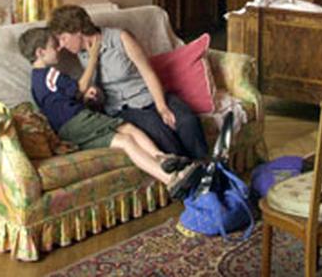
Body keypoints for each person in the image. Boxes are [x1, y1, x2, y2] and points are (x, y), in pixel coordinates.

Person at [18, 26, 198, 198]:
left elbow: (57, 102)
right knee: (128, 128)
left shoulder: (35, 82)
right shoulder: (51, 74)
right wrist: (93, 58)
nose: (59, 48)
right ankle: (162, 157)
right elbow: (80, 87)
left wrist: (84, 97)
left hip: (67, 131)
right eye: (53, 46)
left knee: (126, 142)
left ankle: (170, 179)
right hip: (78, 120)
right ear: (40, 52)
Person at [48, 5, 209, 160]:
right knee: (160, 132)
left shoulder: (120, 37)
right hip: (123, 107)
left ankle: (209, 171)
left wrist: (162, 107)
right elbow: (95, 86)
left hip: (149, 94)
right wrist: (95, 93)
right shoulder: (82, 55)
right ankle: (188, 175)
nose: (61, 45)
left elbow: (148, 72)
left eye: (63, 38)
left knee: (188, 121)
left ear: (78, 31)